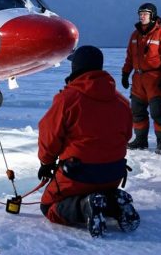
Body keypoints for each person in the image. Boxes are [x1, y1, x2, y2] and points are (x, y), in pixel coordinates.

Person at [37, 45, 139, 237]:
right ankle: (114, 202)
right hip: (113, 174)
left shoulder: (67, 99)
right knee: (99, 193)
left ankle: (85, 206)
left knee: (48, 206)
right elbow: (127, 136)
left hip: (78, 174)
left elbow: (49, 136)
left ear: (76, 67)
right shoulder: (121, 102)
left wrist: (47, 162)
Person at [121, 3, 161, 154]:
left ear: (152, 15)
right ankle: (141, 140)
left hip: (155, 78)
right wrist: (125, 73)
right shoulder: (135, 35)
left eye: (145, 13)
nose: (142, 16)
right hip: (138, 79)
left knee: (157, 112)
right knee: (137, 111)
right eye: (140, 13)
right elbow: (129, 57)